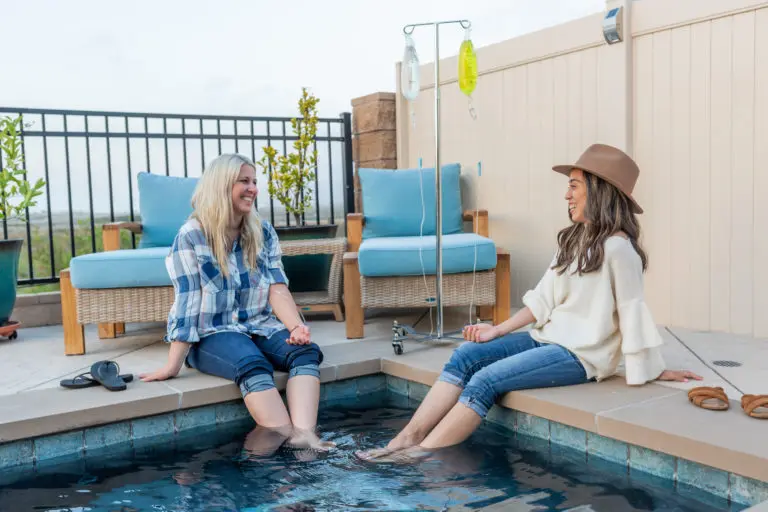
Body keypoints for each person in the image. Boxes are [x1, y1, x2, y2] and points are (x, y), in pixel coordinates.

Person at [358, 143, 703, 461]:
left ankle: (419, 455)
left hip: (580, 356)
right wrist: (497, 331)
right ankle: (403, 440)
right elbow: (542, 300)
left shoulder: (619, 249)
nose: (566, 194)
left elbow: (632, 314)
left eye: (574, 186)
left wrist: (652, 369)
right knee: (465, 355)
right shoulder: (573, 239)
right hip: (546, 338)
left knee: (485, 381)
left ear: (599, 191)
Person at [140, 153, 331, 451]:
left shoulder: (262, 231)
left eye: (254, 181)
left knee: (305, 353)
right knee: (252, 364)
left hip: (258, 324)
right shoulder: (191, 236)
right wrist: (172, 365)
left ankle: (305, 437)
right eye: (244, 181)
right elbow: (187, 304)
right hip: (212, 333)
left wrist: (296, 327)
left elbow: (276, 287)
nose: (253, 188)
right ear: (221, 185)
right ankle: (273, 443)